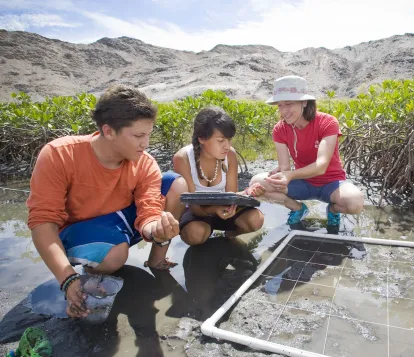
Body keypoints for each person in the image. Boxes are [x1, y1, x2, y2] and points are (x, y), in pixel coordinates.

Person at [26, 85, 188, 319]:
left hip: (121, 219)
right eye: (138, 136)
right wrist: (67, 278)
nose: (146, 144)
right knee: (115, 256)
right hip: (79, 228)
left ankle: (156, 258)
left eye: (149, 134)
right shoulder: (59, 154)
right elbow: (42, 223)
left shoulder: (144, 162)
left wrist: (157, 230)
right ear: (109, 131)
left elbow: (149, 209)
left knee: (176, 184)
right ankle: (90, 271)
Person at [250, 75, 364, 234]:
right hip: (302, 182)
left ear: (304, 102)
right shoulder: (279, 129)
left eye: (289, 104)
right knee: (257, 182)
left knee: (354, 202)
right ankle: (297, 208)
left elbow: (321, 165)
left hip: (330, 183)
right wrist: (281, 174)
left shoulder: (328, 122)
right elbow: (285, 167)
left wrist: (289, 175)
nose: (284, 111)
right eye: (280, 105)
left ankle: (333, 210)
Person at [172, 106, 265, 245]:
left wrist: (248, 192)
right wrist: (215, 209)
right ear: (202, 138)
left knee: (256, 219)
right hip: (196, 213)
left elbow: (230, 195)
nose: (227, 146)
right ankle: (205, 241)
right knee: (195, 234)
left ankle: (231, 233)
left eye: (229, 140)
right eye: (221, 141)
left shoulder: (230, 155)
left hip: (224, 209)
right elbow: (194, 207)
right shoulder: (183, 158)